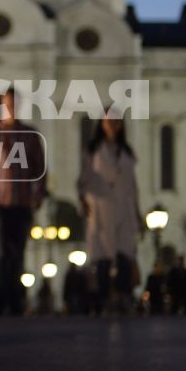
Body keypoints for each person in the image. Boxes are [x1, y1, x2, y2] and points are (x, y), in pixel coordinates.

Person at [0, 89, 46, 316]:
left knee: (18, 252)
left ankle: (15, 299)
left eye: (14, 104)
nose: (11, 108)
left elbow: (40, 169)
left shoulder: (30, 135)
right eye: (8, 104)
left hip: (22, 202)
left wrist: (38, 196)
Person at [78, 116, 141, 314]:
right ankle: (104, 299)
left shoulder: (127, 152)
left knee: (124, 254)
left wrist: (138, 211)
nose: (113, 125)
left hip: (124, 207)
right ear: (102, 124)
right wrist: (83, 199)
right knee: (103, 256)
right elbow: (84, 177)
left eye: (116, 121)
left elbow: (133, 184)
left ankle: (123, 296)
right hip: (101, 207)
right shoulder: (93, 150)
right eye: (109, 121)